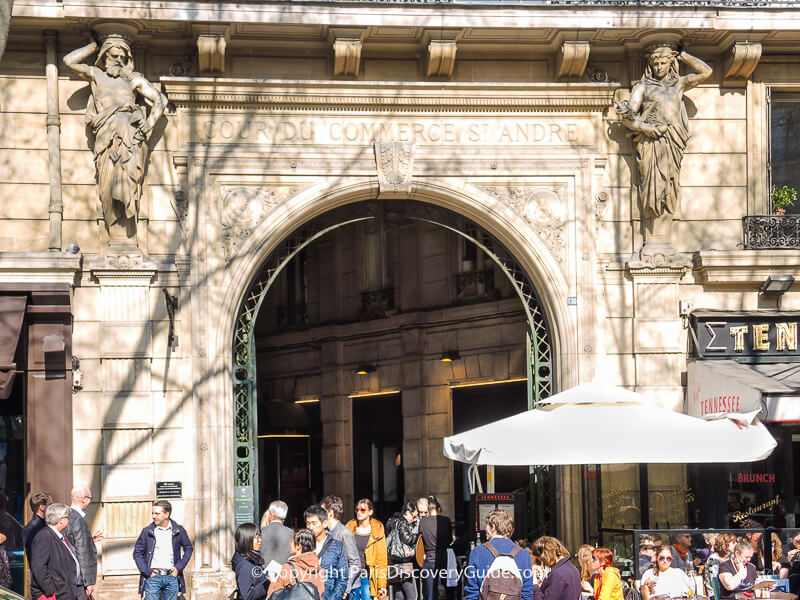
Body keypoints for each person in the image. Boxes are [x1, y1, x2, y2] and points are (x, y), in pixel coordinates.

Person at [62, 33, 166, 242]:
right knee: (107, 185)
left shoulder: (133, 80)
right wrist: (92, 46)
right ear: (104, 56)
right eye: (114, 56)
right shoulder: (96, 75)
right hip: (105, 139)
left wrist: (150, 123)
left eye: (122, 57)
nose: (119, 60)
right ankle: (114, 219)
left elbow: (159, 100)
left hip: (129, 138)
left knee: (127, 180)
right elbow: (68, 61)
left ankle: (125, 215)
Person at [613, 42, 712, 253]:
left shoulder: (678, 85)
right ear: (650, 65)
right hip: (651, 142)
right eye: (655, 63)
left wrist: (684, 55)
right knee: (652, 187)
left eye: (663, 63)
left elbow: (706, 71)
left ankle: (661, 232)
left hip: (672, 141)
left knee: (670, 185)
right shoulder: (643, 87)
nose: (659, 67)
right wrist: (645, 127)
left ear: (671, 63)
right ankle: (655, 233)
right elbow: (629, 118)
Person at [464, 509, 534, 600]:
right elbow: (527, 592)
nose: (485, 529)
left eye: (487, 525)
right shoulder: (523, 554)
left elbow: (472, 591)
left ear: (493, 527)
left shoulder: (477, 552)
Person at [133, 500, 194, 600]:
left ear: (167, 514)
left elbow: (189, 548)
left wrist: (179, 567)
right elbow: (137, 553)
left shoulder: (178, 530)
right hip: (153, 577)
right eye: (152, 513)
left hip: (172, 577)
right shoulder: (147, 531)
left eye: (157, 513)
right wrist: (147, 571)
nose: (153, 516)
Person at [30, 503, 80, 600]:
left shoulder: (58, 535)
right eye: (67, 517)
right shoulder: (44, 536)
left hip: (65, 592)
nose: (68, 520)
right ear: (60, 520)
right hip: (55, 595)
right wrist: (50, 590)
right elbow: (39, 567)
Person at [346, 498, 388, 600]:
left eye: (363, 510)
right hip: (351, 575)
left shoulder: (377, 529)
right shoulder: (349, 527)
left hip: (367, 576)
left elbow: (381, 559)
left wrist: (382, 585)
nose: (359, 512)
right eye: (357, 510)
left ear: (370, 512)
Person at [305, 504, 348, 600]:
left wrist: (333, 598)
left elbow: (342, 578)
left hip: (328, 595)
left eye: (314, 523)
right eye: (308, 523)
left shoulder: (337, 546)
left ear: (324, 523)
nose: (310, 527)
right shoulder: (303, 546)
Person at [268, 529, 325, 599]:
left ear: (298, 546)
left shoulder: (288, 568)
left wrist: (273, 582)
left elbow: (273, 594)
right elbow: (321, 594)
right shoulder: (318, 569)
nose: (290, 544)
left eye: (291, 541)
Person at [322, 495, 361, 596]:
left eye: (321, 512)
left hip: (348, 590)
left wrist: (345, 587)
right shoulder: (326, 532)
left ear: (330, 513)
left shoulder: (344, 532)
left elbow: (355, 562)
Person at [65, 485, 99, 600]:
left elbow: (71, 542)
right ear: (84, 499)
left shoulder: (66, 515)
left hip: (69, 576)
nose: (90, 501)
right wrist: (88, 582)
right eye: (90, 498)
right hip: (78, 580)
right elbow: (82, 553)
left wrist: (89, 539)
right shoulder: (78, 520)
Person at [418, 496, 453, 600]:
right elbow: (450, 539)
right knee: (448, 589)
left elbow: (420, 541)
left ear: (429, 510)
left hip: (429, 557)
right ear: (438, 509)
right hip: (444, 556)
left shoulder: (423, 522)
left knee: (430, 592)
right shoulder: (446, 520)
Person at [385, 501, 420, 600]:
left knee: (399, 594)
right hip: (404, 565)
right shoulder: (403, 523)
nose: (414, 520)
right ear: (408, 512)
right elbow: (407, 539)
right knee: (412, 596)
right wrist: (417, 535)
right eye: (413, 517)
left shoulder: (393, 522)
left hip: (393, 563)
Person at [530, 536, 581, 600]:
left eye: (542, 560)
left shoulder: (558, 573)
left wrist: (535, 585)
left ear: (546, 554)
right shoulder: (572, 568)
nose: (544, 563)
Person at [231, 522, 269, 600]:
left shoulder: (252, 559)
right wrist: (267, 583)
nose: (260, 540)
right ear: (246, 539)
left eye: (260, 536)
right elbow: (247, 596)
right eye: (256, 537)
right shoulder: (244, 565)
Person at [260, 500, 293, 567]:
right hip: (284, 573)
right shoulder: (291, 533)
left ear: (271, 514)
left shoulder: (262, 531)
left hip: (263, 573)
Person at [704, 533, 736, 598]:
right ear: (725, 544)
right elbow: (714, 582)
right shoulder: (714, 559)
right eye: (733, 542)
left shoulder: (731, 556)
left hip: (729, 592)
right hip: (716, 595)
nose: (736, 544)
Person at [22, 490, 52, 559]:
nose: (52, 507)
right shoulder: (31, 528)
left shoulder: (46, 524)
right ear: (42, 507)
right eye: (50, 505)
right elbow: (32, 555)